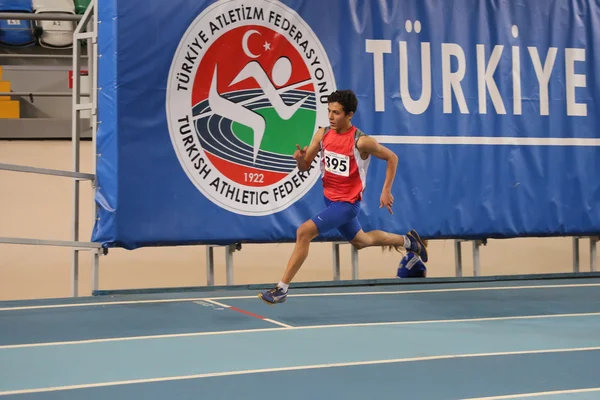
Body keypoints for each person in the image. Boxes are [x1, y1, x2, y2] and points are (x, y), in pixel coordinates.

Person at [259, 90, 428, 304]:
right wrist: (300, 160)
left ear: (349, 115)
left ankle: (281, 289)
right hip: (330, 200)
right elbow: (304, 167)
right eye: (329, 111)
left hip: (347, 204)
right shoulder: (322, 135)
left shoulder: (362, 142)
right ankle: (408, 241)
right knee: (362, 241)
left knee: (303, 232)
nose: (330, 116)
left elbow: (392, 158)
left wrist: (386, 190)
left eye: (336, 113)